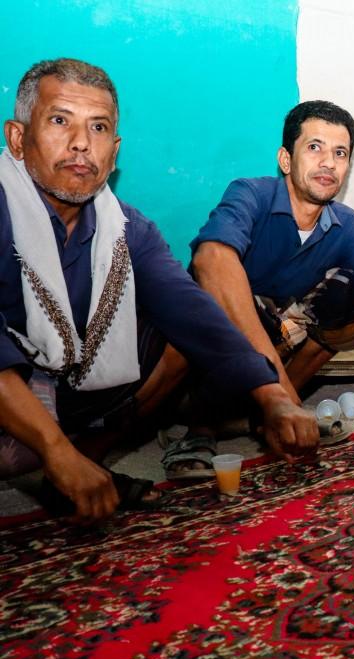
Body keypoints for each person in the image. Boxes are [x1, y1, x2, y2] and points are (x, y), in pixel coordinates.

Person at [0, 58, 317, 522]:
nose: (81, 143)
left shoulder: (125, 227)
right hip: (14, 385)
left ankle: (85, 466)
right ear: (17, 138)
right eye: (60, 121)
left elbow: (192, 312)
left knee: (181, 335)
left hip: (67, 382)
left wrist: (273, 397)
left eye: (98, 127)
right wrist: (53, 448)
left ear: (114, 152)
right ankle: (63, 460)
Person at [183, 100, 354, 473]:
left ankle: (271, 413)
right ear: (286, 159)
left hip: (277, 341)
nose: (328, 162)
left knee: (352, 290)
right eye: (315, 147)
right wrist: (283, 397)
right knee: (209, 293)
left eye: (340, 153)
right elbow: (209, 261)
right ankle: (201, 424)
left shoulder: (348, 225)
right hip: (213, 347)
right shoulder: (251, 193)